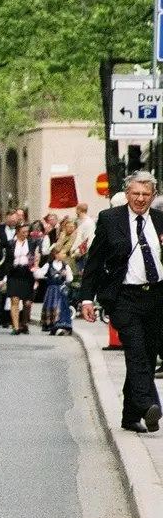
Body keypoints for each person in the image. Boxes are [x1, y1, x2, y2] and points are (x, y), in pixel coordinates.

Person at [80, 171, 163, 433]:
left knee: (149, 355)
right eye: (136, 193)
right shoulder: (109, 219)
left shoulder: (160, 220)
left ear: (153, 196)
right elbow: (93, 262)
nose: (140, 199)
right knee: (136, 351)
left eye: (146, 194)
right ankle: (150, 404)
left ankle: (130, 416)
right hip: (124, 297)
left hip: (156, 297)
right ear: (127, 194)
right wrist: (86, 299)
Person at [5, 223, 40, 334]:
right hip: (14, 272)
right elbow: (8, 258)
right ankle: (15, 327)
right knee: (14, 300)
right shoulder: (11, 244)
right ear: (18, 232)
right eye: (23, 232)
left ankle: (24, 322)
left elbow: (37, 257)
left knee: (27, 302)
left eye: (27, 232)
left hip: (27, 272)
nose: (25, 234)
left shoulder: (32, 243)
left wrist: (35, 266)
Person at [36, 246, 74, 335]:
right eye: (62, 253)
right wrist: (37, 267)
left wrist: (66, 275)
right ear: (56, 254)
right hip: (51, 290)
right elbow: (38, 274)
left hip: (61, 289)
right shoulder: (48, 265)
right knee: (51, 306)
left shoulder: (65, 266)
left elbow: (70, 279)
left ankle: (60, 325)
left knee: (61, 306)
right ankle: (51, 324)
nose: (64, 255)